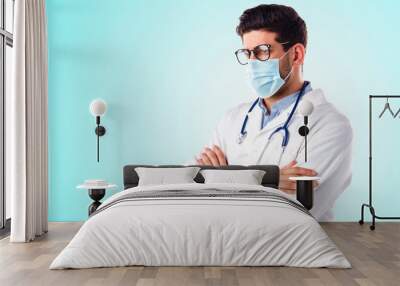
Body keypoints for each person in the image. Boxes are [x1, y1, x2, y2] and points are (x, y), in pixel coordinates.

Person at [194, 4, 353, 221]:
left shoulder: (331, 125)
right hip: (224, 244)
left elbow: (292, 210)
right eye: (247, 53)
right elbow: (194, 188)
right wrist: (267, 179)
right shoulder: (232, 120)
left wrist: (222, 179)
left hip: (293, 250)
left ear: (296, 55)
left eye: (262, 51)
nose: (252, 62)